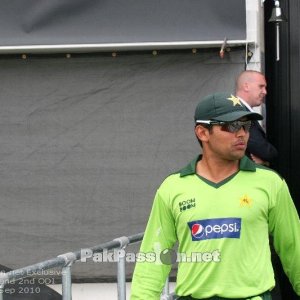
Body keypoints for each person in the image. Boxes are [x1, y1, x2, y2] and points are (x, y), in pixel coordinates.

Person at [130, 93, 300, 300]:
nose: (242, 134)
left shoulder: (270, 183)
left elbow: (295, 250)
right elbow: (154, 258)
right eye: (232, 126)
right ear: (202, 132)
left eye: (246, 126)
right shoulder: (172, 188)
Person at [235, 70, 278, 166]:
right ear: (246, 86)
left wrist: (265, 161)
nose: (265, 92)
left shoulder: (240, 110)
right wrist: (268, 159)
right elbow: (264, 150)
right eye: (261, 86)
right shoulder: (239, 113)